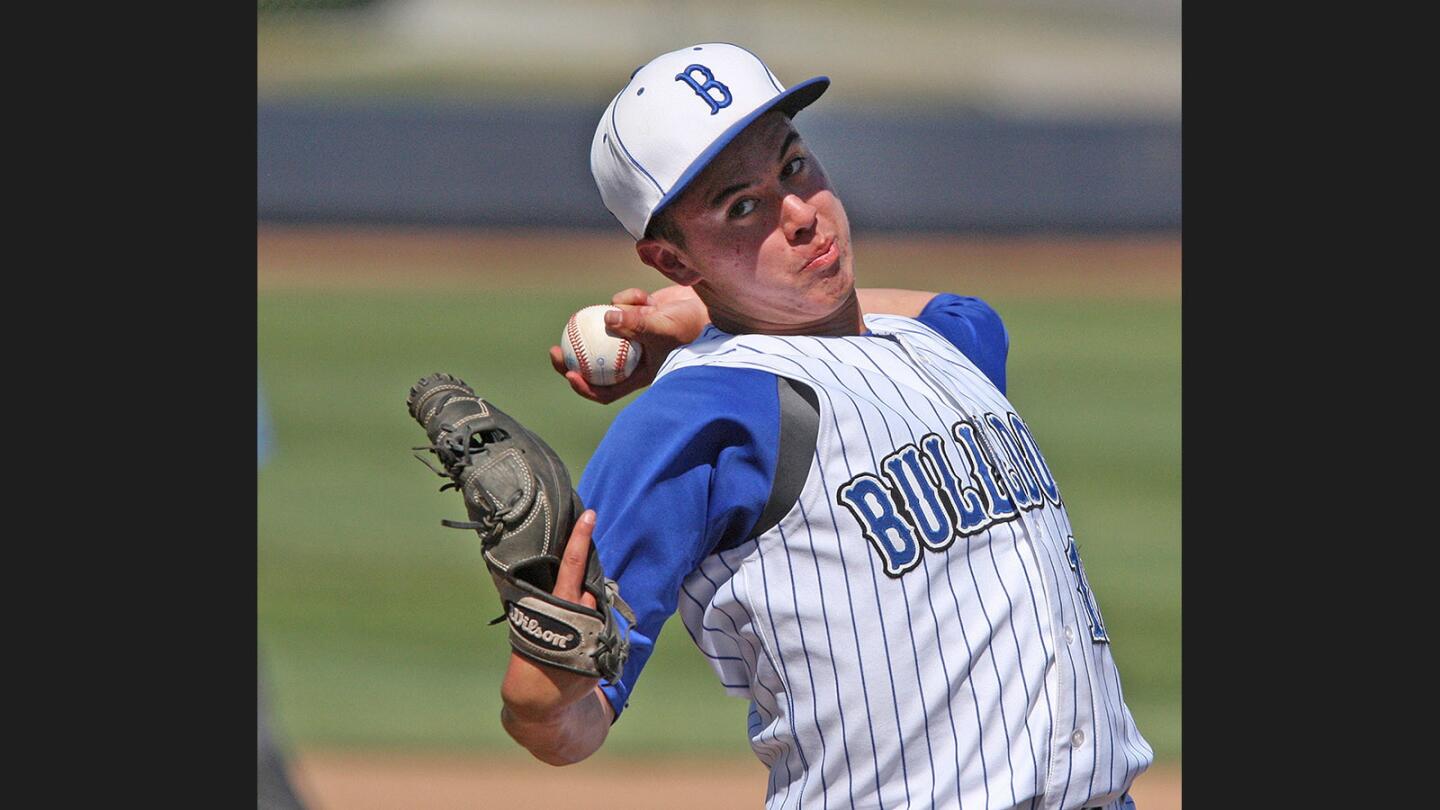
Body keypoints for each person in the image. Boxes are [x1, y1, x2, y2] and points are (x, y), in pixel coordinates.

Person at [504, 43, 1152, 809]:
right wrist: (539, 698)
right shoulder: (696, 415)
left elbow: (961, 311)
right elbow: (570, 724)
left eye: (795, 167)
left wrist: (706, 313)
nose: (800, 216)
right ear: (669, 259)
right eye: (741, 208)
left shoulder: (943, 345)